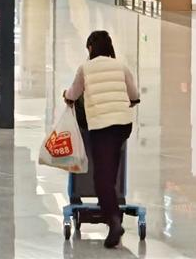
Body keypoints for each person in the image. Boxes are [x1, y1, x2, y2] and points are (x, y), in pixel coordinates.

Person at [64, 31, 140, 249]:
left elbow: (73, 94)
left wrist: (66, 96)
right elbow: (134, 95)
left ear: (90, 48)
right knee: (111, 170)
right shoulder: (121, 66)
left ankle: (114, 221)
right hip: (123, 126)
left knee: (101, 179)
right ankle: (112, 208)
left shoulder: (85, 68)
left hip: (102, 127)